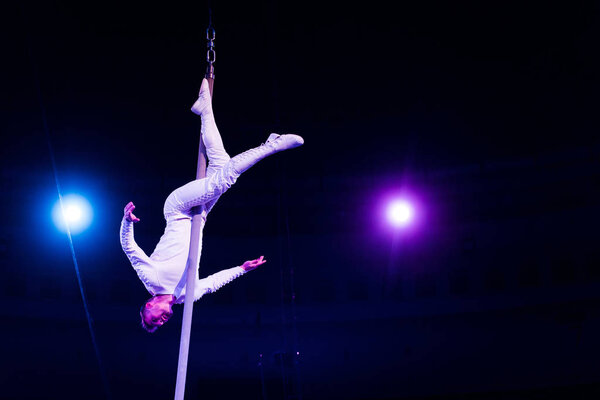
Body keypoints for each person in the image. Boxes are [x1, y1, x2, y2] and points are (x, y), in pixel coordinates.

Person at [120, 78, 303, 332]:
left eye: (154, 319)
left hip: (178, 209)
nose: (162, 321)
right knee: (221, 163)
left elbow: (129, 248)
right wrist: (242, 268)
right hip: (200, 215)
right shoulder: (187, 296)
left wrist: (126, 222)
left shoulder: (151, 280)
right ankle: (205, 109)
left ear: (149, 305)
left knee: (224, 179)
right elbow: (214, 282)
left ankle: (271, 145)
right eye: (160, 325)